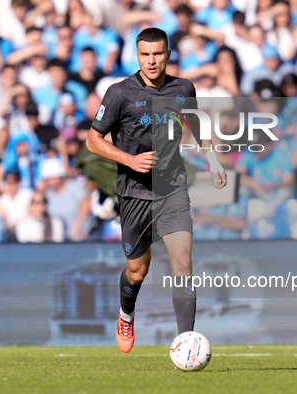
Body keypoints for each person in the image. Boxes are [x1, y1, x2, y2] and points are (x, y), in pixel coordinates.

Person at [85, 28, 227, 353]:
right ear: (137, 55)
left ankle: (185, 344)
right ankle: (125, 313)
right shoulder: (119, 93)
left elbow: (197, 124)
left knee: (184, 265)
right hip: (135, 194)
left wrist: (214, 161)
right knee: (137, 271)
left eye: (158, 54)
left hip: (172, 189)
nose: (152, 60)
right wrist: (129, 160)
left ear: (168, 54)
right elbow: (93, 140)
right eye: (145, 54)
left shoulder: (183, 88)